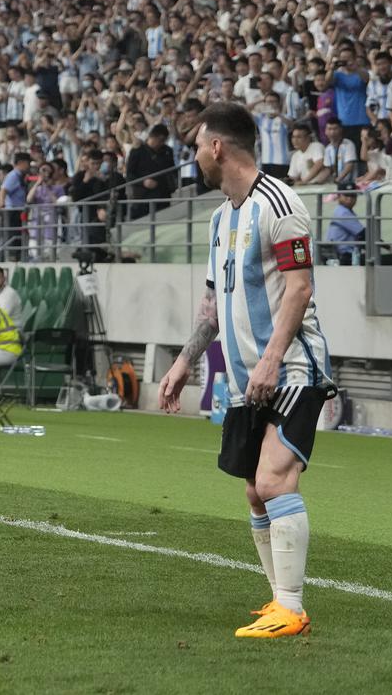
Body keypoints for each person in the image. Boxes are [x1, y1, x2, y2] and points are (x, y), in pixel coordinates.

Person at [159, 102, 334, 639]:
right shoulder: (220, 218)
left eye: (196, 147)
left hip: (292, 367)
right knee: (254, 491)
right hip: (243, 377)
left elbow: (300, 288)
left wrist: (274, 358)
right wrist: (185, 360)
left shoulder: (282, 204)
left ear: (218, 147)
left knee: (273, 477)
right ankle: (278, 601)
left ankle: (293, 609)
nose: (193, 158)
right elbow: (212, 304)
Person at [0, 152, 31, 259]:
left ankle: (19, 255)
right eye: (27, 163)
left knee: (19, 235)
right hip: (13, 211)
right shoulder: (13, 175)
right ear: (21, 163)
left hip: (19, 210)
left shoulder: (20, 176)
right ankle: (13, 256)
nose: (29, 166)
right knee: (14, 235)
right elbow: (3, 190)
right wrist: (2, 203)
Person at [325, 182, 365, 265]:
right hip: (344, 257)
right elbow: (363, 234)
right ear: (339, 196)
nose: (350, 199)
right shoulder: (342, 212)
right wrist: (388, 247)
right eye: (346, 195)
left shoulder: (345, 211)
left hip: (346, 256)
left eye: (352, 195)